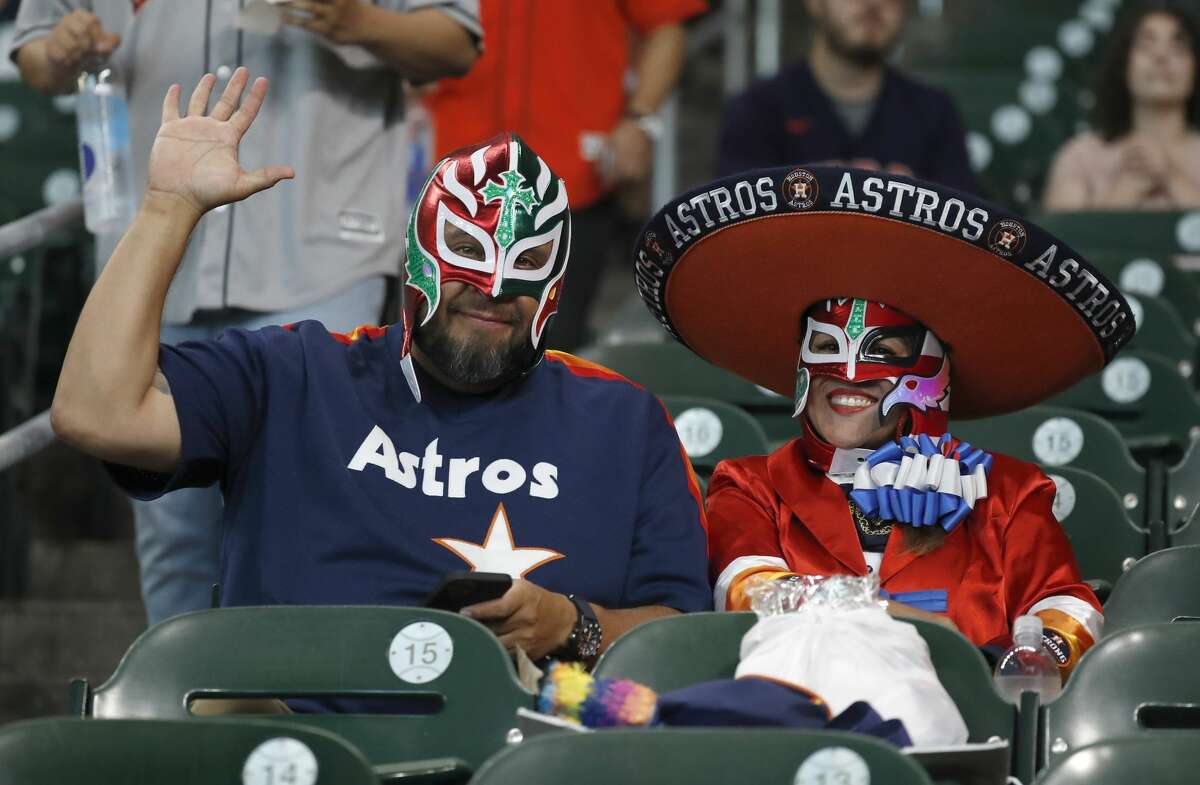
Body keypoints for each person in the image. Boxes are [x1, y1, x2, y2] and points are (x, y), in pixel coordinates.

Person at [50, 71, 712, 662]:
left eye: (526, 265)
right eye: (463, 248)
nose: (492, 284)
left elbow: (686, 638)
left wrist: (574, 625)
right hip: (296, 741)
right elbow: (95, 413)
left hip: (529, 747)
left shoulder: (625, 423)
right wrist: (168, 210)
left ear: (555, 290)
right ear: (415, 256)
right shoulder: (294, 375)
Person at [9, 0, 483, 623]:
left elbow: (455, 41)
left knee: (309, 512)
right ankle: (188, 708)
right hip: (157, 254)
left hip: (319, 252)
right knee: (174, 533)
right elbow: (37, 50)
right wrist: (61, 49)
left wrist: (359, 22)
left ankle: (303, 711)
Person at [632, 163, 1138, 677]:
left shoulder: (1009, 494)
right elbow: (750, 593)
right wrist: (907, 624)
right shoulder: (750, 487)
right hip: (790, 721)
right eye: (826, 347)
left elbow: (1068, 611)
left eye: (883, 351)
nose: (847, 372)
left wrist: (1028, 658)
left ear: (936, 375)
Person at [424, 0, 707, 351]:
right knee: (438, 343)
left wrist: (640, 118)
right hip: (450, 180)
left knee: (550, 346)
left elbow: (666, 25)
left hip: (570, 180)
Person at [716, 0, 976, 194]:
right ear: (814, 3)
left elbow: (966, 238)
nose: (873, 4)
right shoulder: (757, 110)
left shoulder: (935, 113)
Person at [1043, 2, 1200, 210]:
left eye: (1178, 47)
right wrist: (1128, 186)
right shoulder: (1080, 156)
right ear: (1123, 64)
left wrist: (1170, 176)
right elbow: (1061, 238)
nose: (1161, 56)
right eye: (1146, 45)